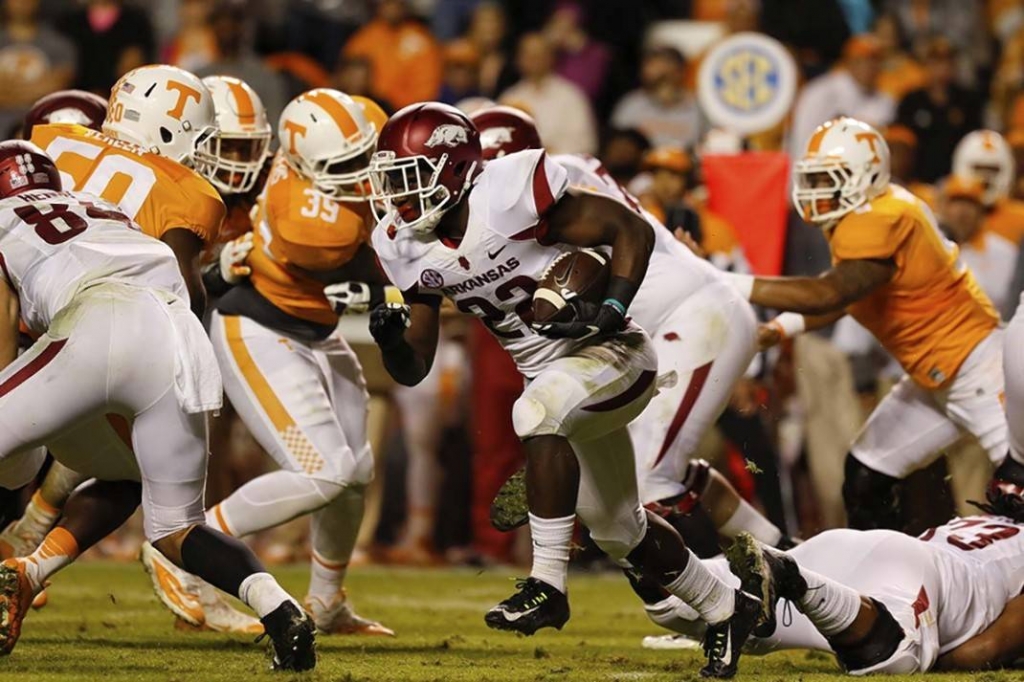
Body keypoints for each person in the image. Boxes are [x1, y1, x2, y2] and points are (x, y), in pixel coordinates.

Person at [365, 101, 765, 678]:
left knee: (534, 411)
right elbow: (415, 365)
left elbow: (628, 230)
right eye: (391, 181)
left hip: (613, 355)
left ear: (453, 169)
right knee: (619, 528)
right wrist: (393, 341)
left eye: (410, 177)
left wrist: (611, 308)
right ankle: (727, 606)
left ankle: (547, 583)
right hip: (557, 381)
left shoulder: (507, 193)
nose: (399, 197)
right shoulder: (402, 243)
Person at [0, 141, 315, 671]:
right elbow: (192, 294)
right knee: (171, 523)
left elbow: (5, 339)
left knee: (16, 454)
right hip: (177, 337)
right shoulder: (101, 209)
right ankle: (281, 611)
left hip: (94, 319)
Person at [144, 88, 393, 638]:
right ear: (304, 164)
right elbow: (379, 260)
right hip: (260, 330)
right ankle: (183, 543)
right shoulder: (310, 223)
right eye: (346, 167)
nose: (362, 173)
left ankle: (327, 601)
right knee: (323, 471)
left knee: (355, 474)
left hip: (315, 331)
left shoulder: (339, 141)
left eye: (363, 157)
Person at [2, 66, 227, 571]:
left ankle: (26, 540)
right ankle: (33, 548)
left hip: (23, 315)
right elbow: (183, 297)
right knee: (134, 467)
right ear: (169, 127)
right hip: (85, 334)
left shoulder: (51, 137)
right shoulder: (186, 189)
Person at [736, 116, 1007, 531]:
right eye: (816, 177)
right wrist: (782, 329)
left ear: (868, 175)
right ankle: (884, 586)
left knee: (1016, 491)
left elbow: (833, 292)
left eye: (832, 177)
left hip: (978, 369)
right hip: (932, 377)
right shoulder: (865, 214)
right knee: (866, 478)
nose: (818, 190)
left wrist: (729, 283)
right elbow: (850, 294)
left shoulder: (886, 216)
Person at [646, 506, 1024, 673]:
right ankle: (793, 578)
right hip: (908, 573)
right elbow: (982, 651)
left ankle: (626, 533)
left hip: (850, 550)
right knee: (894, 658)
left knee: (685, 605)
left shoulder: (989, 523)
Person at [789, 35, 895, 163]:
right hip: (821, 167)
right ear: (848, 62)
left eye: (875, 61)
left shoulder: (885, 100)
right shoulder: (820, 92)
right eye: (863, 60)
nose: (870, 67)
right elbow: (803, 139)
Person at [895, 38, 983, 182]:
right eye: (936, 63)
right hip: (917, 180)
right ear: (926, 65)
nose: (942, 69)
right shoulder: (911, 101)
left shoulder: (968, 101)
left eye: (948, 62)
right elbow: (901, 142)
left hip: (958, 179)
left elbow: (975, 141)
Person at [499, 33, 596, 155]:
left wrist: (546, 154)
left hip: (563, 169)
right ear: (518, 60)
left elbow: (586, 145)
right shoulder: (509, 98)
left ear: (551, 57)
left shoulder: (572, 96)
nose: (534, 59)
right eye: (528, 54)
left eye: (539, 54)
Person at [940, 175, 1018, 315]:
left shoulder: (1005, 253)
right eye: (956, 202)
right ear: (943, 208)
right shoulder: (929, 244)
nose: (962, 211)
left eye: (970, 203)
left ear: (981, 212)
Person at [342, 0, 442, 110]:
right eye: (388, 3)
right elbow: (347, 80)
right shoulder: (364, 39)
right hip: (367, 108)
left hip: (407, 113)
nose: (392, 8)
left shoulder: (421, 41)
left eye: (396, 3)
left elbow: (427, 89)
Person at [0, 0, 76, 135]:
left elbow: (56, 87)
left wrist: (8, 89)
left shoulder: (59, 44)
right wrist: (34, 87)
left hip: (43, 123)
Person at [611, 46, 702, 150]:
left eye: (666, 72)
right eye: (651, 65)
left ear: (680, 72)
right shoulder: (631, 105)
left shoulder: (698, 107)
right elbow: (616, 147)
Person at [952, 129, 1024, 247]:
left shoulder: (1020, 220)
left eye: (992, 169)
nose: (985, 179)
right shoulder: (939, 214)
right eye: (978, 169)